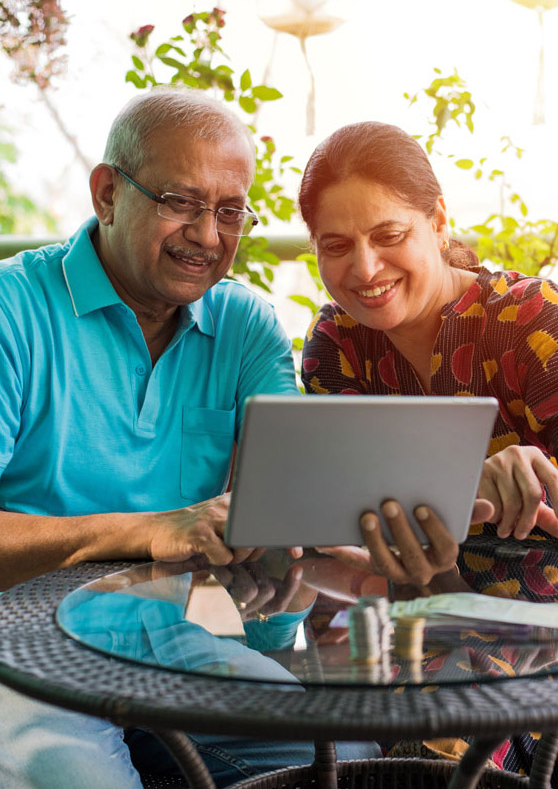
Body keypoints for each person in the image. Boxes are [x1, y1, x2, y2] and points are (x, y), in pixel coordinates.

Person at [0, 89, 379, 788]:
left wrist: (308, 552)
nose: (208, 236)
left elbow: (280, 522)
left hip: (175, 633)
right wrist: (151, 529)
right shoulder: (13, 309)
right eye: (181, 201)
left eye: (229, 211)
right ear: (108, 194)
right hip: (17, 642)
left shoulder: (244, 328)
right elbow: (167, 531)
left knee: (346, 764)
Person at [298, 120, 558, 785]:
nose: (363, 269)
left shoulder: (535, 322)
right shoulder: (335, 347)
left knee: (444, 731)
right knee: (419, 731)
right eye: (335, 245)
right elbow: (345, 523)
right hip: (414, 612)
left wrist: (545, 492)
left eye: (388, 235)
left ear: (437, 220)